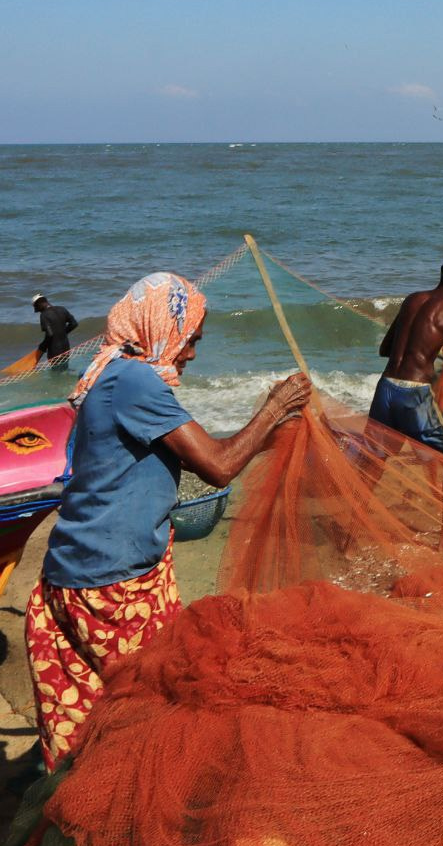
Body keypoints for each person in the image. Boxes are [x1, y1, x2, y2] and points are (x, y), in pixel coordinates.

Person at [25, 272, 311, 770]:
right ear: (161, 325)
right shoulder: (136, 380)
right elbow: (218, 466)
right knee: (153, 716)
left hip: (70, 574)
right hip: (116, 587)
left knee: (87, 730)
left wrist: (272, 429)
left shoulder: (109, 369)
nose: (192, 354)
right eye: (191, 339)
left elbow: (204, 454)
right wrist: (274, 408)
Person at [370, 252, 443, 456]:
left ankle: (352, 490)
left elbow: (385, 349)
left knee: (375, 459)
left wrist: (421, 347)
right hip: (414, 395)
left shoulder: (412, 300)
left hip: (386, 388)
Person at [32, 293, 79, 371]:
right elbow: (74, 324)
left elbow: (50, 334)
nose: (38, 311)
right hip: (66, 348)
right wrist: (63, 333)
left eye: (37, 308)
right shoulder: (62, 309)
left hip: (55, 352)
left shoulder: (44, 315)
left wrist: (42, 346)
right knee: (65, 369)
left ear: (40, 304)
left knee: (57, 374)